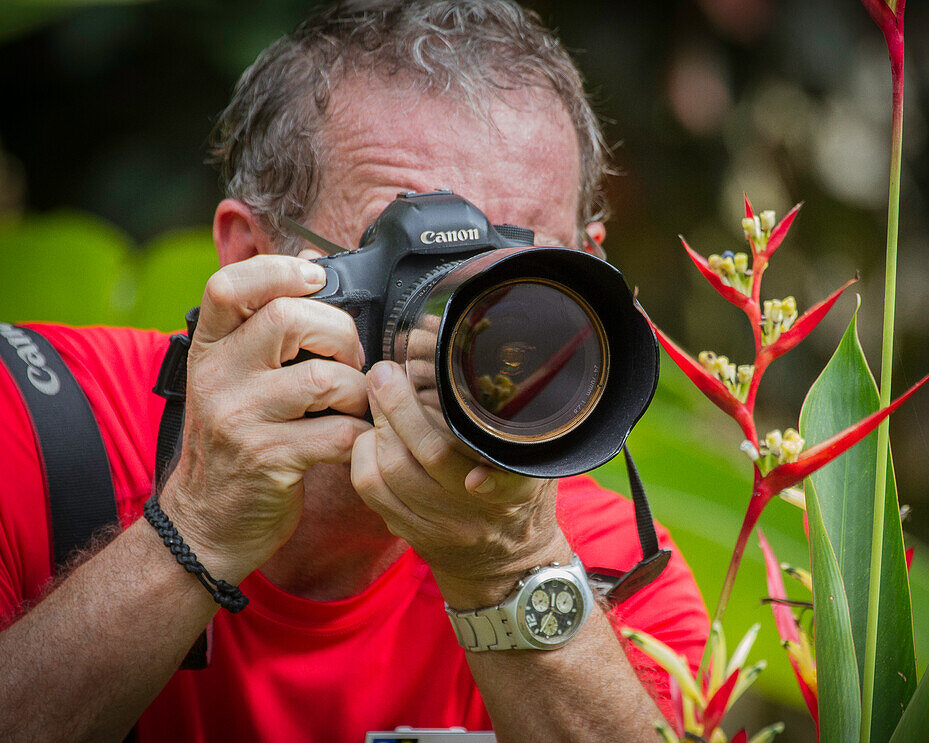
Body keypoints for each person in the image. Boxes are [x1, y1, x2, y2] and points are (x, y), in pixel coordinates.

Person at [0, 1, 709, 740]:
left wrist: (512, 573)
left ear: (589, 265)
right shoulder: (31, 426)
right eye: (420, 260)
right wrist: (197, 525)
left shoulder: (605, 566)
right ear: (252, 258)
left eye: (524, 266)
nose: (483, 318)